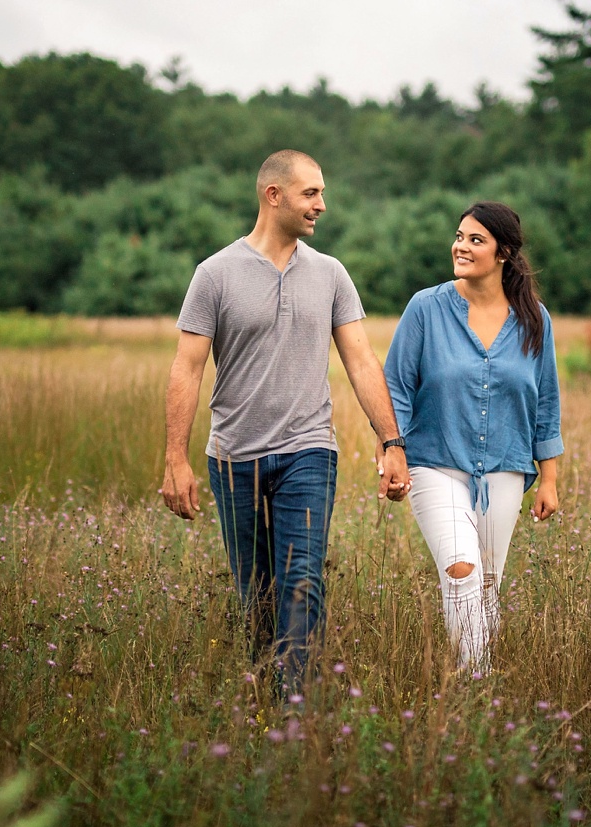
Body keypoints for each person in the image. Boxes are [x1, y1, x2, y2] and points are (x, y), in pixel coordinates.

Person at [161, 148, 410, 702]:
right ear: (273, 196)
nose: (322, 204)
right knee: (256, 592)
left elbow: (362, 361)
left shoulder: (330, 274)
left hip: (308, 451)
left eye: (321, 193)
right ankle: (261, 702)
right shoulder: (215, 274)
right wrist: (176, 459)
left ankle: (293, 707)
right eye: (311, 193)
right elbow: (188, 367)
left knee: (302, 582)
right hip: (234, 455)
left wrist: (391, 440)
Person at [383, 201, 562, 676]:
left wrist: (549, 479)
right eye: (459, 236)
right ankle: (478, 686)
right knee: (461, 569)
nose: (460, 246)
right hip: (434, 463)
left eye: (475, 239)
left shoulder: (534, 320)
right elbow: (397, 384)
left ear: (504, 252)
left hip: (506, 467)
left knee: (484, 586)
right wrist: (392, 451)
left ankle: (467, 688)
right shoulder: (426, 308)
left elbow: (546, 402)